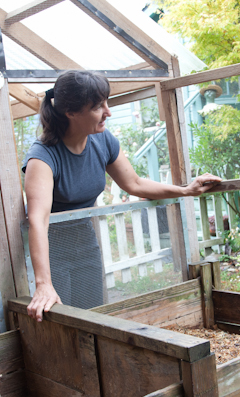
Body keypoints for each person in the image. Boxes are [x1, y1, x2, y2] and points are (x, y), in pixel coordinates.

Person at [22, 70, 221, 322]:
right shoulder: (42, 156)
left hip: (85, 244)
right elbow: (37, 220)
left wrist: (186, 190)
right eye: (97, 106)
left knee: (92, 317)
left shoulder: (102, 140)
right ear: (71, 112)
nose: (108, 112)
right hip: (52, 253)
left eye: (107, 102)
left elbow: (135, 183)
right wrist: (43, 283)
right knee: (57, 320)